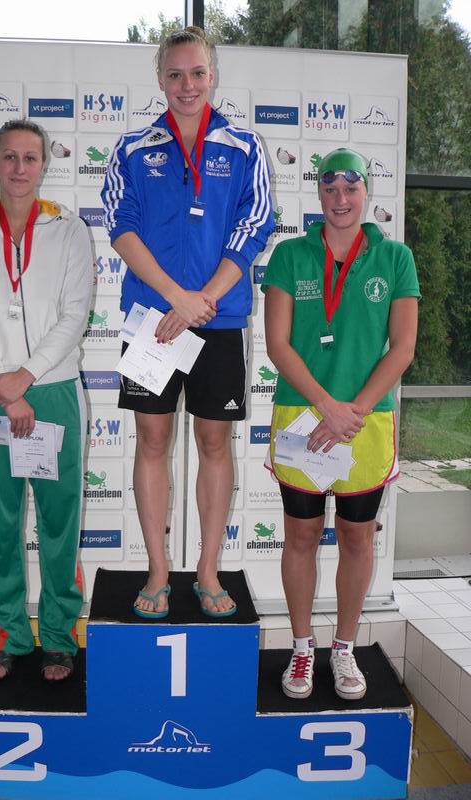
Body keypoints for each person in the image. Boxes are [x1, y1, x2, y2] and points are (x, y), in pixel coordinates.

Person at [101, 27, 273, 618]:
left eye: (197, 72)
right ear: (160, 79)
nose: (187, 84)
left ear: (212, 75)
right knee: (151, 441)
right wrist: (177, 297)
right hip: (152, 320)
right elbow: (120, 224)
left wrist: (203, 300)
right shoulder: (132, 147)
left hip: (218, 321)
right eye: (175, 74)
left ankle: (206, 569)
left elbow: (254, 225)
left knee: (213, 443)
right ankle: (157, 569)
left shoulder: (245, 146)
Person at [262, 148, 419, 700]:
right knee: (301, 535)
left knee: (356, 537)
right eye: (330, 189)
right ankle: (302, 647)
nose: (340, 199)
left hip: (365, 421)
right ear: (319, 194)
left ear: (366, 193)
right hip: (303, 415)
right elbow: (277, 345)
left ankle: (344, 647)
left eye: (350, 189)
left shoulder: (396, 257)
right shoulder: (289, 255)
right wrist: (327, 405)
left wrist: (351, 409)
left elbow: (402, 348)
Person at [0, 119, 93, 681]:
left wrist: (26, 377)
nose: (19, 167)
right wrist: (4, 386)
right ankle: (10, 631)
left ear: (44, 164)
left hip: (53, 391)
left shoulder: (70, 231)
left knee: (60, 523)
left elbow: (74, 315)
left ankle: (58, 635)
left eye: (30, 157)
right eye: (9, 156)